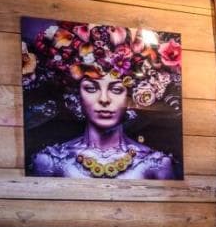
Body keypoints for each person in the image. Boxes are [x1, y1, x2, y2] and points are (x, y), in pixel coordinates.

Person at [23, 22, 179, 179]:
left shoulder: (158, 164)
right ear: (77, 95)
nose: (104, 99)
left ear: (130, 97)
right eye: (91, 89)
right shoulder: (49, 162)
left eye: (116, 90)